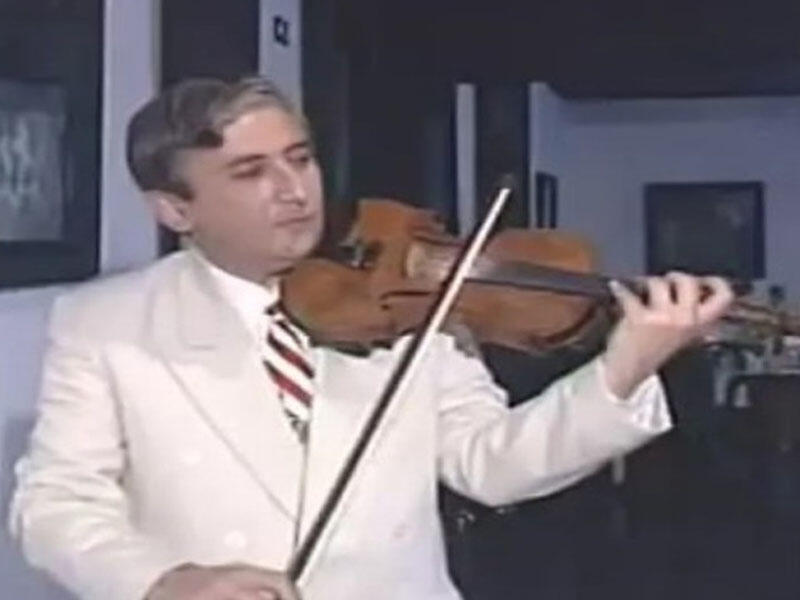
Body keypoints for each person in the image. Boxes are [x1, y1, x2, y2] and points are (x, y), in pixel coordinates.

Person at [8, 76, 734, 600]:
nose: (295, 190)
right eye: (251, 172)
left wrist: (622, 369)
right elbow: (56, 504)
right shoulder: (106, 323)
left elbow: (492, 465)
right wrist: (163, 582)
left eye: (300, 157)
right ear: (175, 209)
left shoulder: (409, 305)